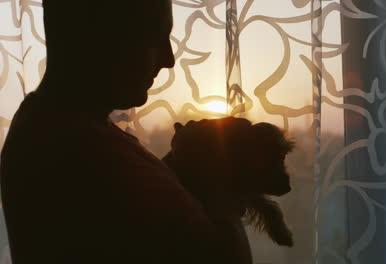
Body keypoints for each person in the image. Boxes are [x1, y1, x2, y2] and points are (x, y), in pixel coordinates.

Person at [0, 1, 222, 263]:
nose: (168, 60)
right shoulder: (76, 153)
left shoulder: (61, 130)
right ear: (94, 33)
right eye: (153, 36)